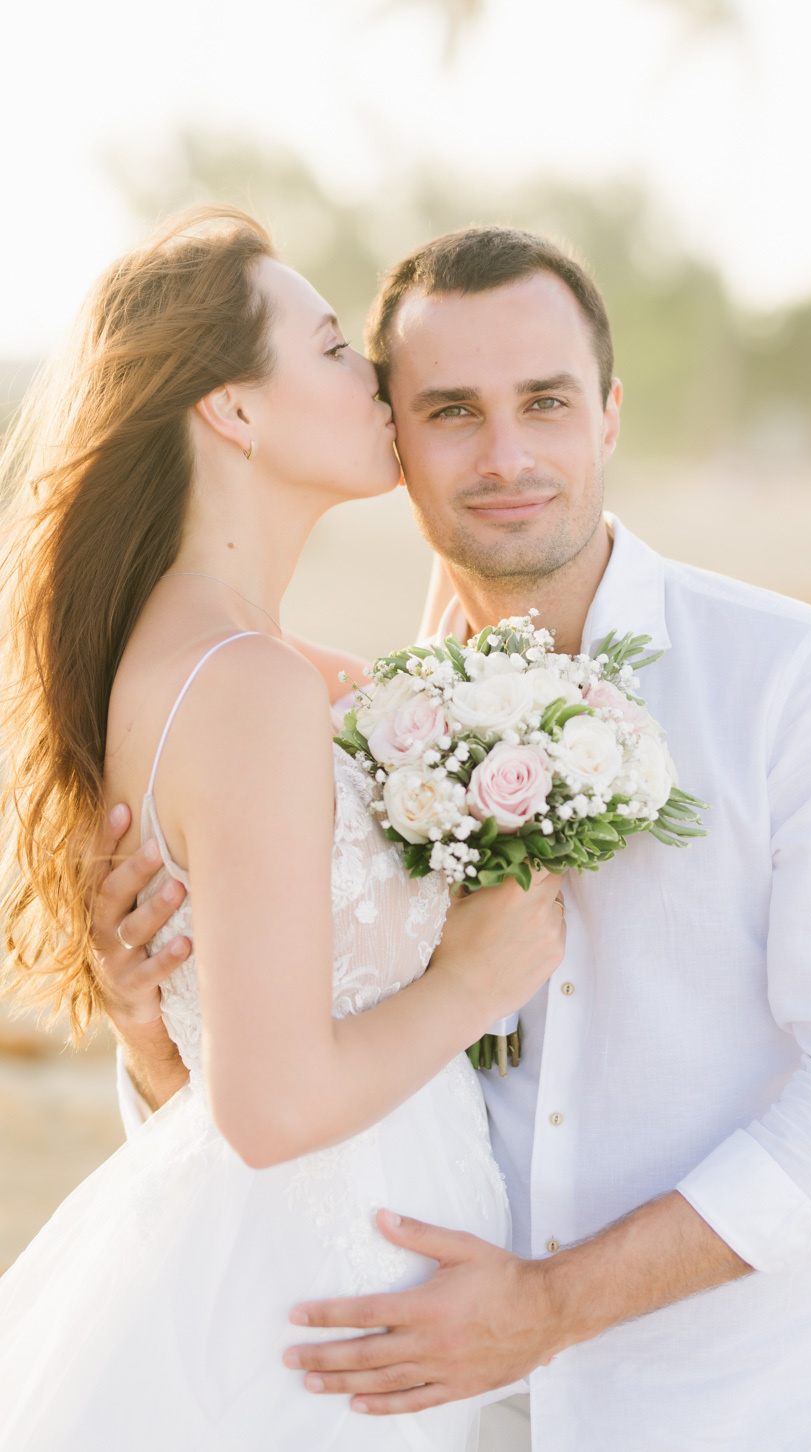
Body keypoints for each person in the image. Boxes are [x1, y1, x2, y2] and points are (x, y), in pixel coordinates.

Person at [97, 227, 811, 1452]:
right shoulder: (366, 725)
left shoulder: (791, 682)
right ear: (393, 434)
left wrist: (544, 1311)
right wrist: (156, 1035)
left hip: (739, 1417)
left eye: (543, 403)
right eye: (450, 411)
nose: (504, 457)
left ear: (605, 414)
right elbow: (299, 1096)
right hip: (439, 1417)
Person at [0, 209, 566, 1452]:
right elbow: (268, 1105)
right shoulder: (247, 683)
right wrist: (475, 976)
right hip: (315, 1316)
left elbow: (232, 1043)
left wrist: (151, 1038)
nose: (375, 378)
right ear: (233, 412)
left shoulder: (274, 671)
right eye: (326, 347)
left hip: (348, 1260)